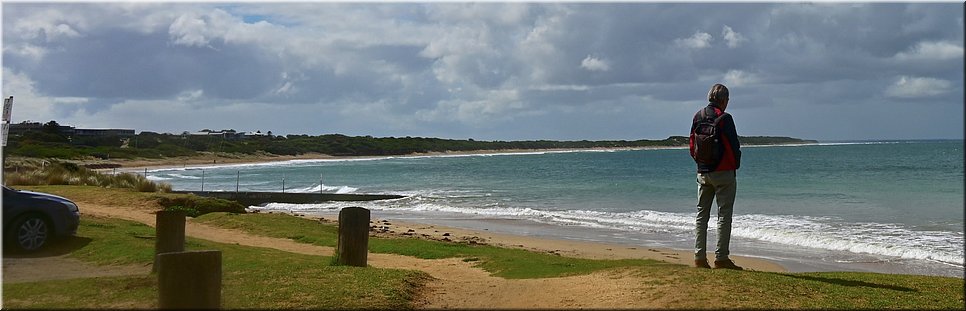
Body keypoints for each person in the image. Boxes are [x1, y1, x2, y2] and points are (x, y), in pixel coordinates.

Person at [689, 83, 743, 270]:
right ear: (723, 100)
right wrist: (734, 166)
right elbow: (734, 147)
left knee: (701, 216)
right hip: (723, 173)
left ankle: (699, 257)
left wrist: (701, 164)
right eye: (727, 100)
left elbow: (691, 145)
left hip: (703, 172)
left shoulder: (698, 116)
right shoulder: (725, 118)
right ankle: (721, 258)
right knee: (724, 216)